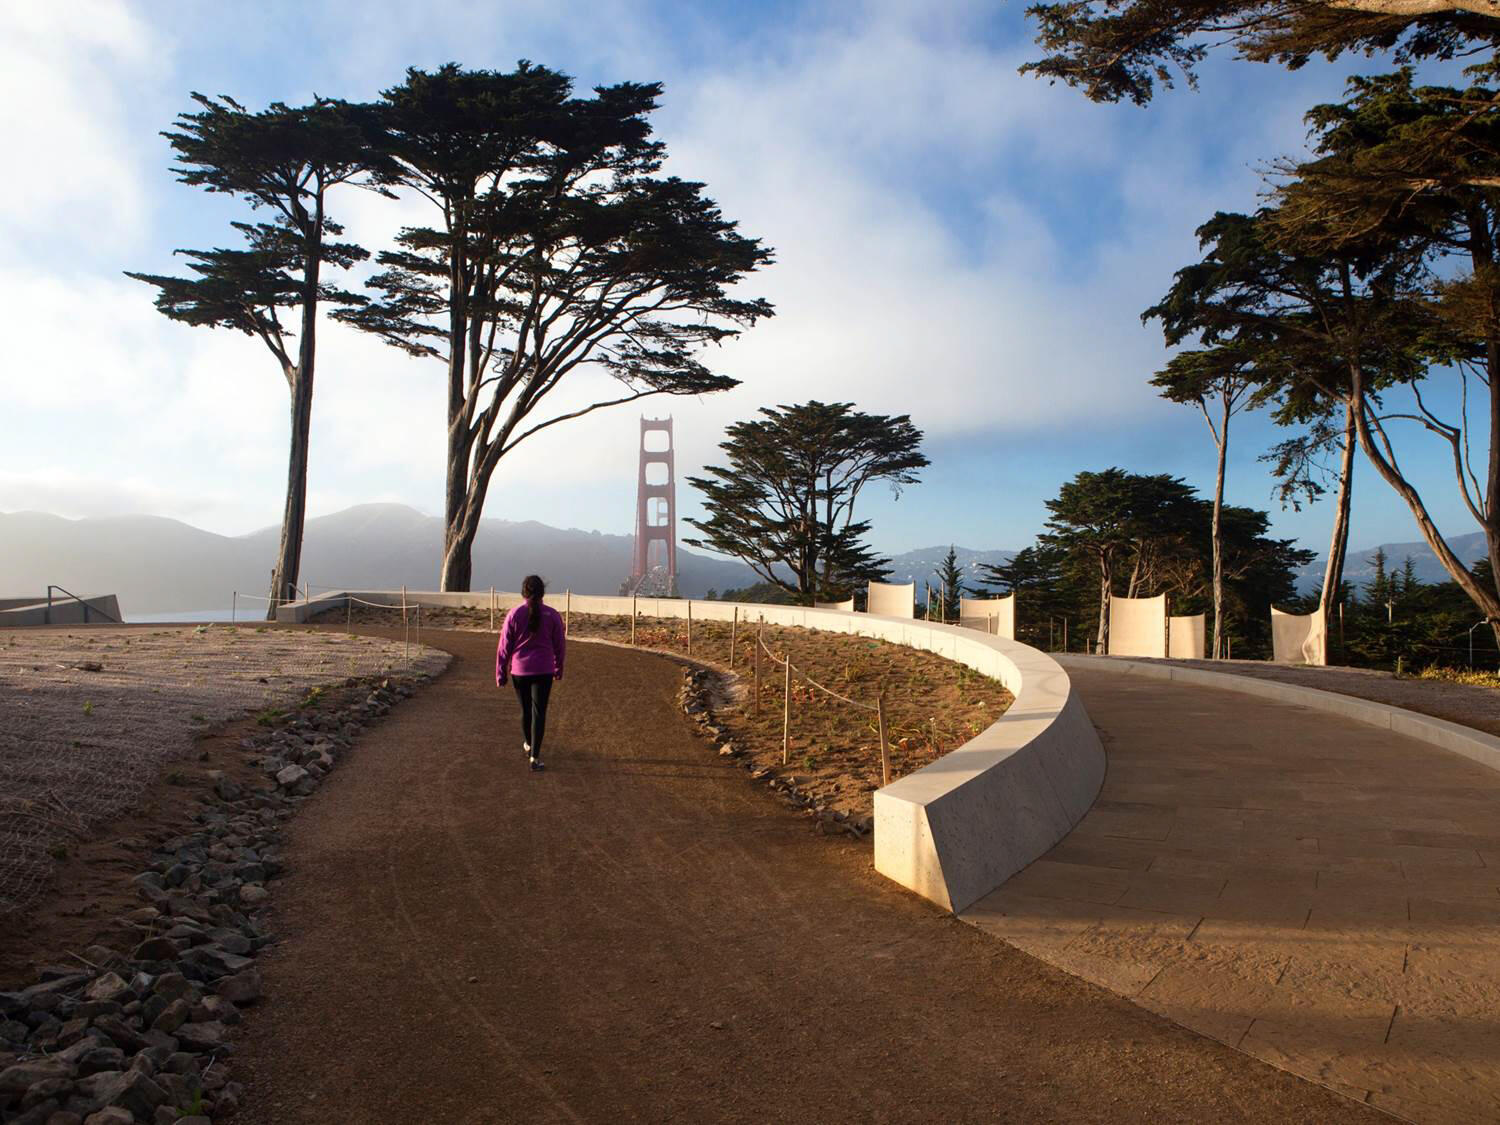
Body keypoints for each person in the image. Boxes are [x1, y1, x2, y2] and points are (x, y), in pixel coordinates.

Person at [495, 575, 565, 771]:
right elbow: (560, 645)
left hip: (520, 671)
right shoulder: (552, 615)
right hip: (544, 670)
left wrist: (501, 673)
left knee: (525, 711)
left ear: (523, 592)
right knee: (539, 712)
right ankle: (534, 756)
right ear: (543, 592)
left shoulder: (514, 614)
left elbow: (504, 647)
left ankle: (527, 743)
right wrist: (559, 667)